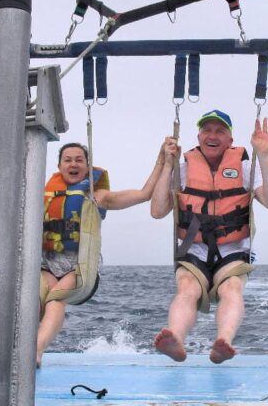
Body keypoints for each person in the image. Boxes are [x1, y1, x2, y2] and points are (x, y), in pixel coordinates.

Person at [150, 109, 268, 364]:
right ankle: (175, 338)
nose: (212, 135)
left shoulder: (245, 167)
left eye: (220, 131)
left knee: (231, 288)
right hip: (193, 248)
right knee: (187, 287)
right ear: (198, 137)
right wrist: (168, 165)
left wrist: (263, 156)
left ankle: (223, 341)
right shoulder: (183, 169)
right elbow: (157, 211)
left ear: (230, 140)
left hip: (233, 250)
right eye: (207, 130)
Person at [37, 140, 169, 367]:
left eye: (79, 159)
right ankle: (19, 348)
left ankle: (36, 351)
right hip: (48, 263)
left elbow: (144, 193)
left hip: (80, 267)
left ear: (88, 166)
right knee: (35, 299)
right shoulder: (44, 194)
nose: (73, 163)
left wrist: (163, 159)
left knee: (56, 297)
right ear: (59, 166)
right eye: (67, 160)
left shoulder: (99, 197)